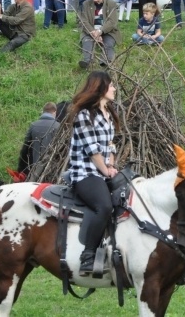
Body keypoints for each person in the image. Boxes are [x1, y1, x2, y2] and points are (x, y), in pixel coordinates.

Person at [67, 71, 119, 276]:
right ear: (101, 87)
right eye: (111, 85)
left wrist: (111, 167)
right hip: (85, 173)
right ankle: (87, 257)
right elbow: (92, 150)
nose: (114, 89)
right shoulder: (83, 115)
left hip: (102, 172)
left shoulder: (108, 114)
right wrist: (105, 169)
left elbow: (110, 146)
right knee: (104, 206)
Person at [79, 0, 120, 69]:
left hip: (108, 31)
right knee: (87, 42)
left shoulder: (111, 4)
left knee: (108, 44)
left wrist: (100, 31)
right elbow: (83, 21)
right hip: (90, 31)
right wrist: (93, 32)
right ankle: (87, 61)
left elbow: (112, 22)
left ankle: (105, 62)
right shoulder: (86, 4)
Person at [18, 102, 60, 177]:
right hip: (52, 169)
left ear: (43, 111)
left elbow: (26, 147)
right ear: (54, 112)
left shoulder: (33, 125)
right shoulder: (57, 126)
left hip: (35, 168)